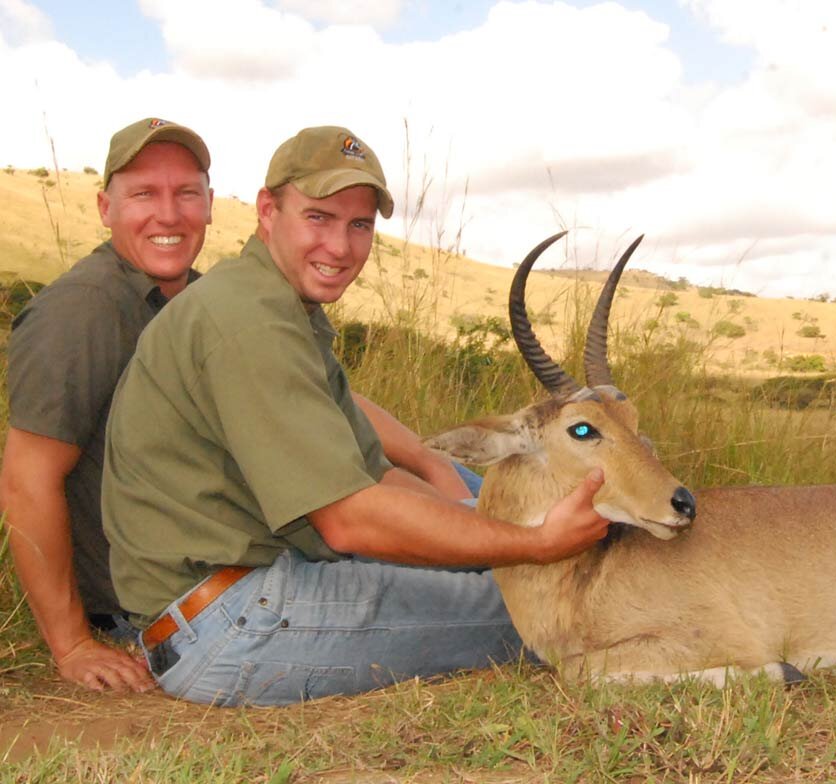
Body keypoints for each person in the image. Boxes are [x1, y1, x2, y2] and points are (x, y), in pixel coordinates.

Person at [101, 125, 610, 707]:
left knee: (492, 541)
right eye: (318, 217)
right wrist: (535, 543)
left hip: (244, 593)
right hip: (230, 623)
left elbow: (381, 477)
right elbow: (352, 521)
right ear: (268, 210)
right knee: (557, 601)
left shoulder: (277, 304)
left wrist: (476, 525)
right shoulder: (250, 321)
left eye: (359, 225)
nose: (341, 248)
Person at [0, 117, 214, 693]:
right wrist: (72, 647)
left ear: (210, 204)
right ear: (105, 207)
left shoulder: (200, 301)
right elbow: (25, 481)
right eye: (143, 193)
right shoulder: (82, 310)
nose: (168, 215)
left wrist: (426, 466)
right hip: (152, 607)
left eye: (185, 193)